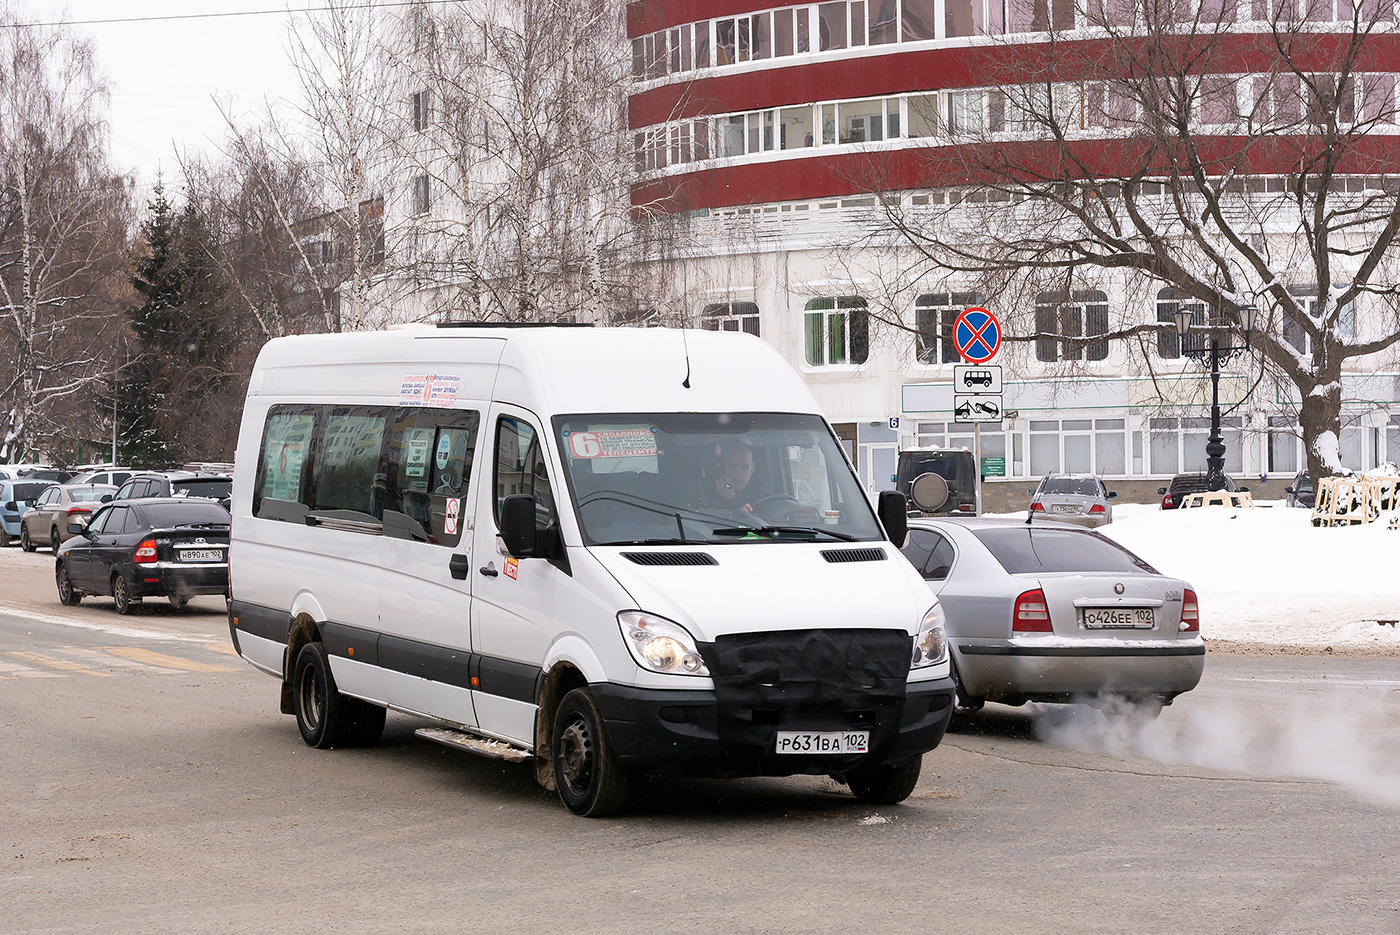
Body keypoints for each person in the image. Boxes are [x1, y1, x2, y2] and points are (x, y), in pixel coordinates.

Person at [702, 440, 757, 512]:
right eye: (732, 467)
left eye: (744, 467)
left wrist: (732, 498)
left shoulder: (762, 493)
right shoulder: (706, 497)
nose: (738, 473)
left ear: (752, 468)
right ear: (722, 469)